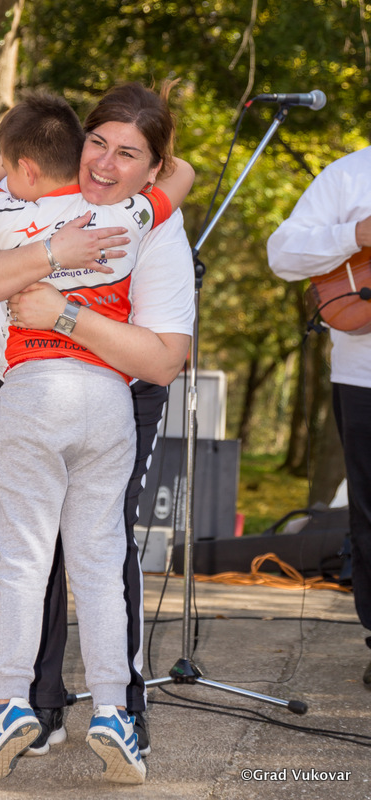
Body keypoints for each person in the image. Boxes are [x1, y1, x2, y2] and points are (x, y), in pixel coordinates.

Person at [0, 87, 194, 785]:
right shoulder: (134, 214)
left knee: (23, 559)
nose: (107, 163)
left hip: (33, 392)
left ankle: (9, 704)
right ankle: (114, 710)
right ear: (77, 144)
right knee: (101, 558)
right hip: (107, 401)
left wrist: (47, 276)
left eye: (127, 154)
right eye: (97, 144)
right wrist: (164, 173)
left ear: (23, 165)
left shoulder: (6, 208)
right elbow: (178, 180)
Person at [267, 146, 371, 688]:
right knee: (369, 515)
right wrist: (355, 235)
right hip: (364, 377)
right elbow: (282, 254)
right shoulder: (350, 174)